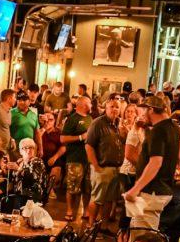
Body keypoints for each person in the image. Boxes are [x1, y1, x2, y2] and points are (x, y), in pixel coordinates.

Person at [123, 95, 180, 231]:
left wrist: (135, 188)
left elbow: (155, 163)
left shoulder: (158, 130)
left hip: (152, 191)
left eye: (144, 111)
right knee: (137, 228)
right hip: (162, 188)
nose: (142, 115)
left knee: (143, 237)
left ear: (151, 110)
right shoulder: (173, 127)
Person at [85, 95, 125, 226]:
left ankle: (103, 226)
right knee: (97, 199)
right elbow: (89, 145)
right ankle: (90, 225)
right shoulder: (98, 123)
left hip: (116, 169)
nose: (114, 109)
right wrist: (96, 166)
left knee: (109, 200)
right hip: (102, 168)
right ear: (106, 107)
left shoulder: (118, 124)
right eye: (111, 106)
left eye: (117, 107)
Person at [60, 94, 93, 222]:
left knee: (87, 187)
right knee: (72, 187)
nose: (91, 106)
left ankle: (86, 211)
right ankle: (69, 211)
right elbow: (62, 138)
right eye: (89, 103)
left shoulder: (90, 118)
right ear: (83, 105)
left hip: (88, 159)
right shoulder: (72, 119)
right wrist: (80, 137)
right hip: (75, 158)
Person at [9, 138, 49, 203]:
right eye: (25, 148)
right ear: (20, 151)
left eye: (31, 148)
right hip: (19, 194)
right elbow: (12, 176)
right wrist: (2, 170)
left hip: (31, 195)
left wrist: (19, 169)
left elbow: (34, 177)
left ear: (34, 150)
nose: (28, 150)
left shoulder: (37, 162)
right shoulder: (20, 161)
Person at [119, 103, 145, 185]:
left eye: (132, 112)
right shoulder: (121, 126)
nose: (129, 114)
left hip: (133, 168)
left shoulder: (140, 129)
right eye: (127, 111)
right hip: (126, 166)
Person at [40, 111, 66, 191]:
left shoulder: (59, 132)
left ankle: (50, 189)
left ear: (54, 121)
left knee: (57, 168)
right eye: (45, 120)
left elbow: (64, 147)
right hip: (41, 157)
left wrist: (54, 157)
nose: (47, 122)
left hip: (54, 156)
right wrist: (43, 129)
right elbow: (35, 142)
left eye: (50, 120)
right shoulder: (39, 131)